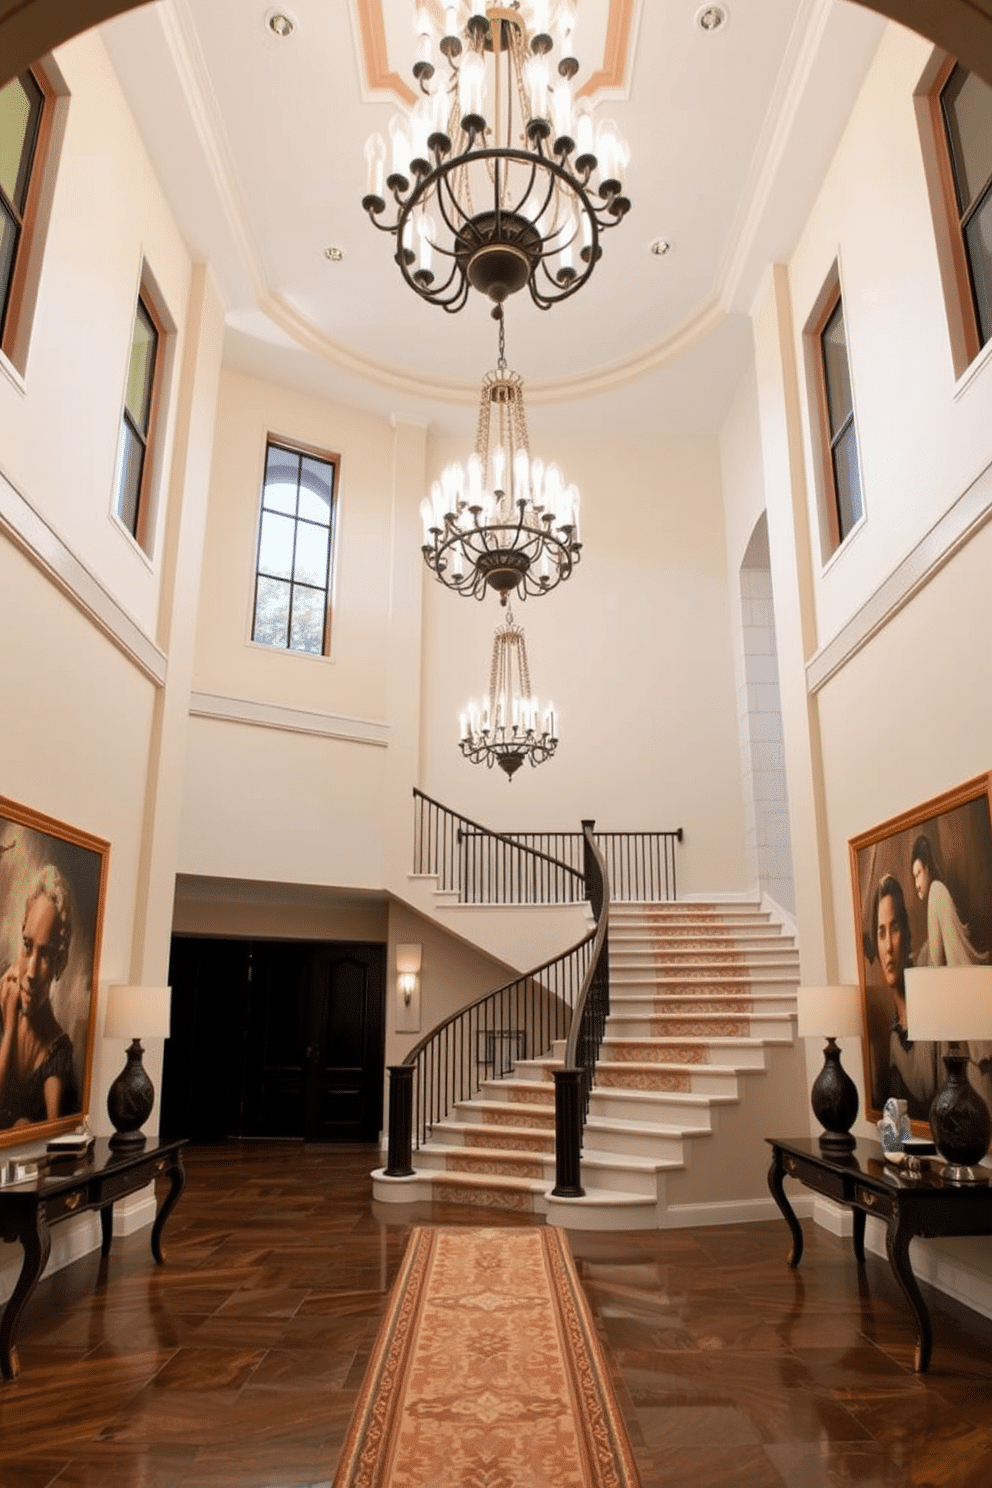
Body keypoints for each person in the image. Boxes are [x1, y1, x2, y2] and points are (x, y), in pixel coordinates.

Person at [0, 865, 77, 1127]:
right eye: (27, 946)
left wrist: (10, 1028)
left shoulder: (57, 1052)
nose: (30, 972)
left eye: (45, 954)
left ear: (60, 961)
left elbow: (53, 1136)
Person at [869, 871, 940, 1121]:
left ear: (908, 934)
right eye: (881, 933)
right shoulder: (893, 1039)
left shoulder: (932, 1007)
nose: (888, 946)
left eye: (895, 929)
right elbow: (894, 1134)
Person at [910, 833, 990, 968]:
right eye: (914, 877)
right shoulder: (937, 895)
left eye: (918, 874)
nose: (916, 884)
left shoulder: (936, 892)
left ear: (927, 869)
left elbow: (936, 964)